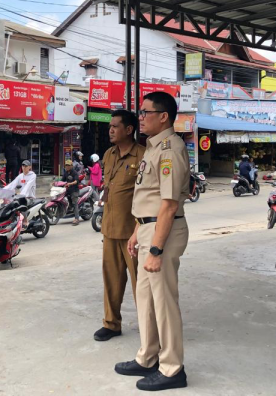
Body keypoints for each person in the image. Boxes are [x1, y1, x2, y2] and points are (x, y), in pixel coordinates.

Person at [115, 91, 189, 391]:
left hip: (164, 233)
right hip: (148, 229)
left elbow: (169, 204)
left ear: (163, 117)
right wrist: (137, 232)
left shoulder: (170, 149)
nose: (140, 117)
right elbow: (148, 198)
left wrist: (156, 249)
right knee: (145, 299)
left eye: (145, 112)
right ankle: (148, 356)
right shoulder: (154, 147)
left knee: (164, 302)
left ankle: (172, 368)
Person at [94, 110, 145, 342]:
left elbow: (148, 196)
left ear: (129, 129)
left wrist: (139, 229)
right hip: (110, 228)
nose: (111, 130)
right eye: (110, 126)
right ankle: (111, 324)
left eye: (115, 126)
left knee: (141, 285)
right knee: (111, 281)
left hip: (134, 233)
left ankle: (149, 329)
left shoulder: (143, 155)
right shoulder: (108, 155)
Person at [61, 159, 81, 226]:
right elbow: (62, 181)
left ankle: (77, 219)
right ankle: (68, 209)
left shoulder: (74, 172)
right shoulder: (65, 173)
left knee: (75, 203)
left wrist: (70, 183)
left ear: (71, 166)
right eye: (66, 165)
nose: (67, 166)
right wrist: (56, 183)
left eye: (68, 165)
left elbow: (76, 181)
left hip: (74, 190)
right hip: (68, 190)